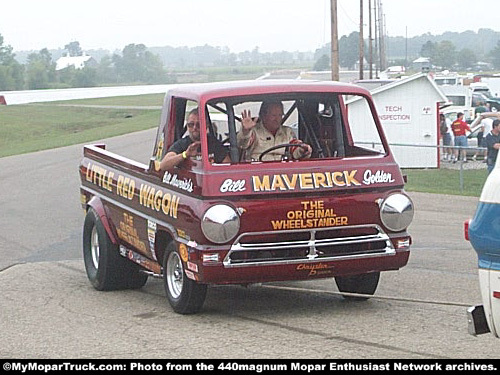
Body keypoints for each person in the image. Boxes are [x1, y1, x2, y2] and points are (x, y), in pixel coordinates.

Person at [237, 100, 312, 161]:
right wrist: (245, 131)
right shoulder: (254, 132)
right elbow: (243, 144)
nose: (277, 119)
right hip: (258, 172)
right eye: (273, 116)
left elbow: (295, 149)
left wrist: (304, 149)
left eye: (280, 115)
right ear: (263, 115)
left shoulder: (287, 132)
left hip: (283, 172)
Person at [159, 108, 230, 171]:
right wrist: (185, 154)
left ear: (206, 126)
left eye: (199, 125)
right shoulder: (181, 144)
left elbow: (228, 167)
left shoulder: (214, 144)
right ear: (187, 126)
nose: (194, 128)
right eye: (191, 124)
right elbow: (163, 165)